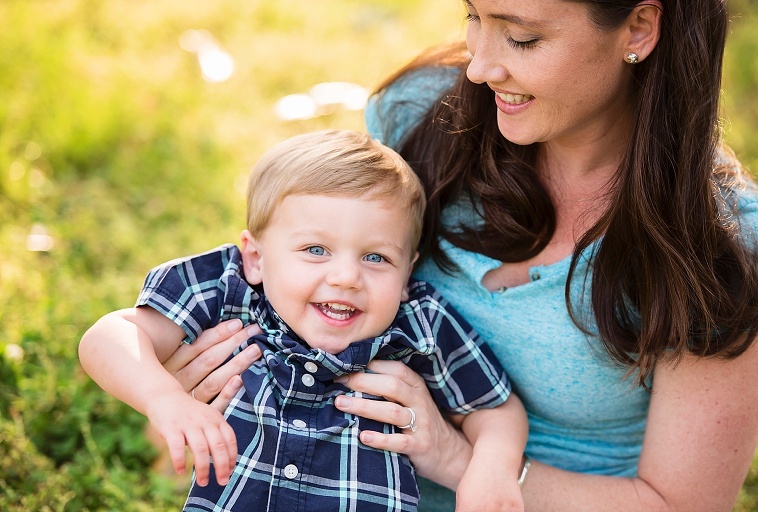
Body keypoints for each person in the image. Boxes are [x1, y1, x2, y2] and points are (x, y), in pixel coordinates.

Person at [158, 1, 758, 511]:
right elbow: (306, 257)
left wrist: (457, 458)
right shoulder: (423, 116)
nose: (478, 66)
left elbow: (678, 504)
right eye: (474, 15)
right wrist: (196, 375)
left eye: (523, 38)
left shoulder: (720, 245)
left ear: (638, 27)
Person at [78, 129, 528, 512]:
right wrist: (166, 400)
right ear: (255, 257)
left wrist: (491, 469)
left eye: (376, 257)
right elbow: (109, 337)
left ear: (407, 272)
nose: (347, 277)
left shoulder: (417, 324)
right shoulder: (226, 290)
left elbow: (495, 408)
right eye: (316, 250)